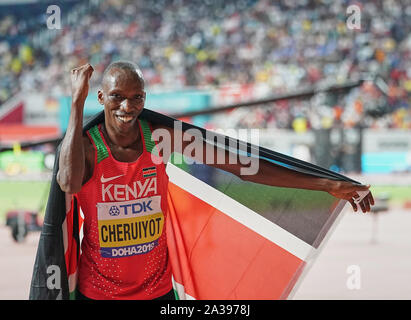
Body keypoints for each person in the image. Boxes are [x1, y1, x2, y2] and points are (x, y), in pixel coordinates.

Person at [57, 61, 374, 300]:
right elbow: (69, 183)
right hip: (98, 293)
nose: (127, 107)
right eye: (116, 97)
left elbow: (243, 165)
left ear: (144, 98)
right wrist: (76, 103)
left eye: (136, 97)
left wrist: (327, 184)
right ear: (100, 97)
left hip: (157, 292)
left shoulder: (160, 138)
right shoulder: (87, 148)